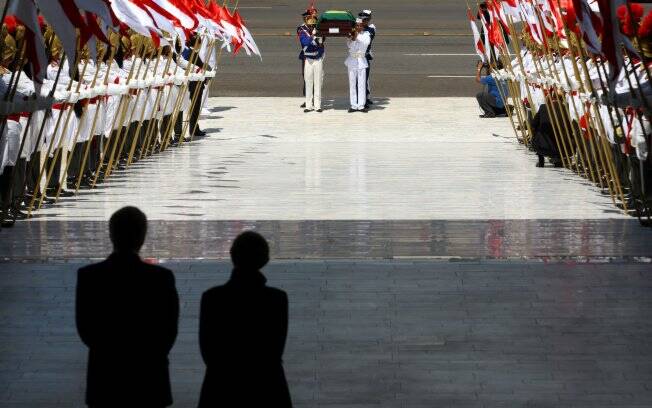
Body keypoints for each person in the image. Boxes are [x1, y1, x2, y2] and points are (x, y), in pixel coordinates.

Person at [75, 207, 179, 407]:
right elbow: (168, 331)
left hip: (106, 377)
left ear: (111, 234)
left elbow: (86, 330)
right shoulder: (161, 278)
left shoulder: (90, 277)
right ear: (142, 237)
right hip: (149, 378)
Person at [198, 231, 292, 407]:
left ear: (232, 255)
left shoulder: (212, 298)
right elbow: (275, 350)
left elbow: (208, 351)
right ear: (265, 259)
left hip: (220, 389)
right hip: (267, 389)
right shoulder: (277, 299)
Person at [300, 16, 325, 113]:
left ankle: (317, 106)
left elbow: (321, 45)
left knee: (317, 83)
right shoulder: (303, 33)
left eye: (313, 26)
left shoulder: (319, 34)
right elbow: (305, 42)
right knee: (308, 82)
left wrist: (318, 35)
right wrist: (312, 36)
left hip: (317, 60)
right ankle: (308, 105)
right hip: (308, 60)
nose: (311, 27)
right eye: (310, 26)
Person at [346, 19, 371, 113]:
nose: (358, 27)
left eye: (360, 25)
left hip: (361, 61)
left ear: (363, 26)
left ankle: (361, 105)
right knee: (352, 84)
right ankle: (353, 105)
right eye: (357, 25)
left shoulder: (366, 34)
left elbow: (366, 43)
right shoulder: (351, 35)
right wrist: (352, 38)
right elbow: (349, 46)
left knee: (361, 84)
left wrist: (356, 37)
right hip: (352, 60)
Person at [297, 7, 317, 108]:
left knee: (316, 78)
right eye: (305, 17)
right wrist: (313, 35)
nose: (306, 19)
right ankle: (308, 99)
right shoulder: (301, 29)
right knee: (306, 78)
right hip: (306, 56)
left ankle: (315, 99)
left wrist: (315, 26)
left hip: (317, 55)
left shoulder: (316, 27)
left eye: (308, 17)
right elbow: (304, 42)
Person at [359, 10, 376, 107]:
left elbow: (367, 40)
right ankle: (364, 98)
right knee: (362, 79)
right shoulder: (358, 28)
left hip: (365, 55)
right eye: (362, 19)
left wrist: (359, 28)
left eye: (365, 19)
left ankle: (365, 98)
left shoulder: (371, 29)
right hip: (357, 56)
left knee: (364, 79)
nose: (363, 21)